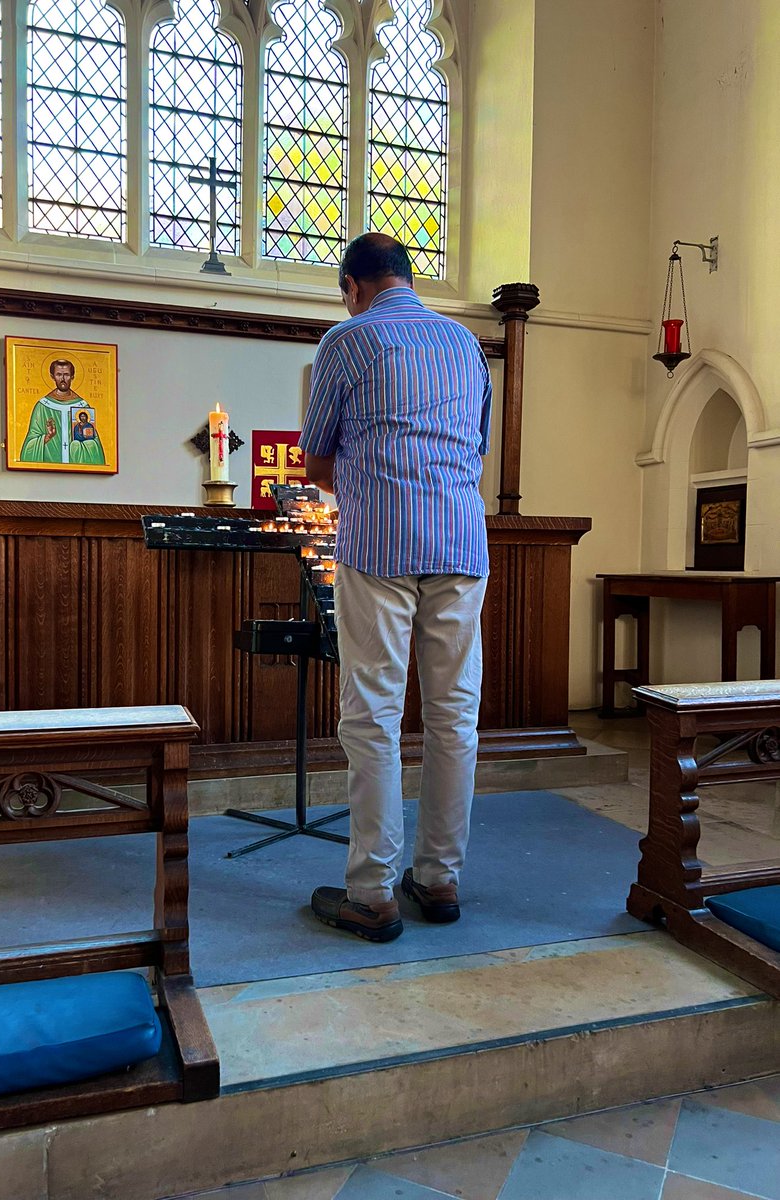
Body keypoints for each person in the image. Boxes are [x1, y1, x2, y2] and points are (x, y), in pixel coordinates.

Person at [299, 232, 492, 943]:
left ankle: (373, 892)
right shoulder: (467, 345)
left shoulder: (348, 341)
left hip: (381, 542)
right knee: (454, 716)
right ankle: (440, 879)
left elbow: (316, 457)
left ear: (353, 286)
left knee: (373, 716)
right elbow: (475, 449)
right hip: (462, 544)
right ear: (406, 277)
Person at [20, 360, 106, 466]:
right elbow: (30, 444)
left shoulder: (82, 406)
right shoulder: (42, 406)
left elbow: (94, 443)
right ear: (52, 376)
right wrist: (48, 436)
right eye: (59, 375)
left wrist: (80, 444)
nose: (63, 379)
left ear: (72, 376)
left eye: (66, 375)